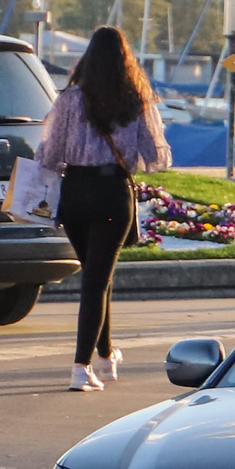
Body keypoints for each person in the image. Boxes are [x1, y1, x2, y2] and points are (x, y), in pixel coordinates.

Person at [36, 25, 169, 392]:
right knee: (97, 281)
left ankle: (107, 355)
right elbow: (154, 157)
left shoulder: (69, 100)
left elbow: (49, 154)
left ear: (88, 58)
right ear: (126, 60)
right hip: (112, 194)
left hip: (75, 195)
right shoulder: (134, 99)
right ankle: (81, 367)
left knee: (96, 277)